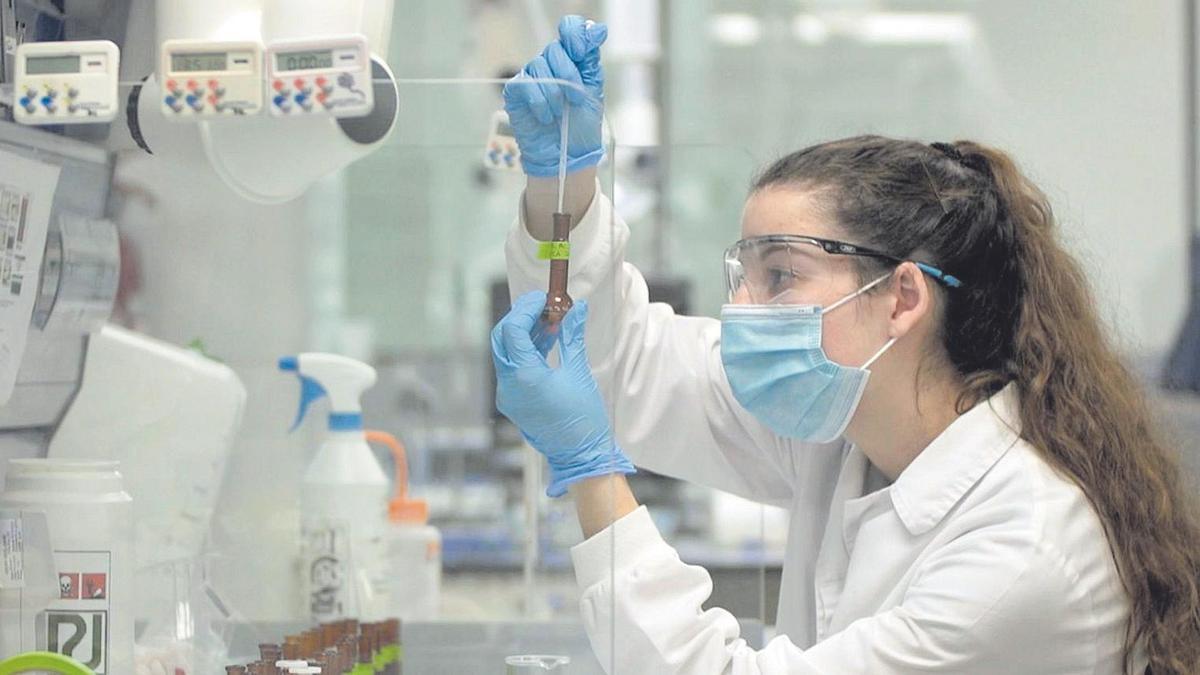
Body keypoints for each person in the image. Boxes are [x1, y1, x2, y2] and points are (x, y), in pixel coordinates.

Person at [491, 15, 1200, 675]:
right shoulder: (850, 427)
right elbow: (624, 369)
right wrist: (566, 187)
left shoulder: (1022, 551)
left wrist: (589, 471)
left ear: (903, 297)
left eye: (781, 275)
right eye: (743, 273)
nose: (740, 308)